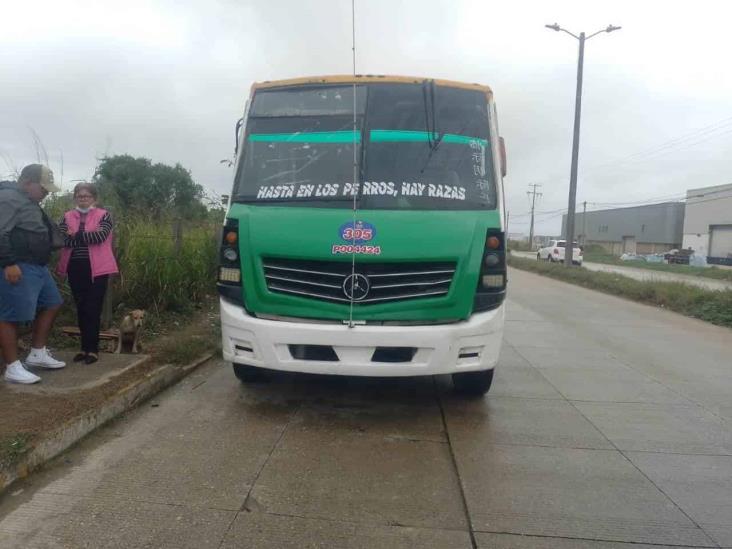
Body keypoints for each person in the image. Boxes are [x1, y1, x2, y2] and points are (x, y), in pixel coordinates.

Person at [1, 164, 66, 384]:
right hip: (18, 264)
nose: (47, 192)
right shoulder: (9, 198)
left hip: (37, 265)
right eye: (44, 187)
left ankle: (37, 353)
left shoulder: (28, 199)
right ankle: (12, 366)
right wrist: (9, 263)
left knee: (53, 302)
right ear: (27, 182)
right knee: (10, 315)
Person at [57, 183, 118, 364]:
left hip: (97, 268)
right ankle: (83, 348)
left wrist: (74, 234)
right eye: (80, 196)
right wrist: (81, 236)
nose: (83, 199)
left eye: (87, 196)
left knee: (93, 308)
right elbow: (62, 239)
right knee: (81, 308)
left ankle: (93, 349)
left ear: (94, 198)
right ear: (75, 197)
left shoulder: (104, 215)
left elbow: (99, 237)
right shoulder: (67, 216)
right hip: (75, 267)